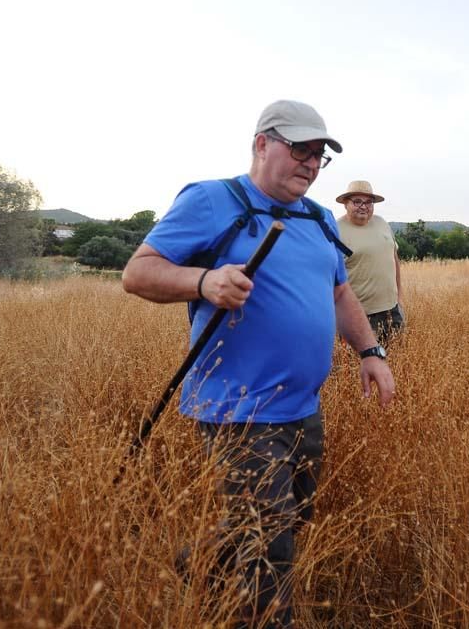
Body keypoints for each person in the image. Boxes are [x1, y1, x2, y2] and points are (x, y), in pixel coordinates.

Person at [122, 99, 395, 627]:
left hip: (302, 407)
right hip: (238, 410)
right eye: (300, 149)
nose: (311, 164)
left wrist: (370, 352)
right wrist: (204, 281)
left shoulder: (316, 218)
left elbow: (340, 294)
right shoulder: (212, 201)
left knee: (283, 521)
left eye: (320, 155)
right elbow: (138, 273)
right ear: (262, 144)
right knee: (271, 551)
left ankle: (194, 565)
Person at [335, 180, 404, 345]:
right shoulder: (335, 231)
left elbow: (394, 259)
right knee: (359, 367)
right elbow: (329, 278)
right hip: (359, 317)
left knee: (397, 364)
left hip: (392, 310)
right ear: (345, 203)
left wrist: (400, 298)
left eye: (368, 202)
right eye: (357, 201)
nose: (363, 206)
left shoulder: (382, 223)